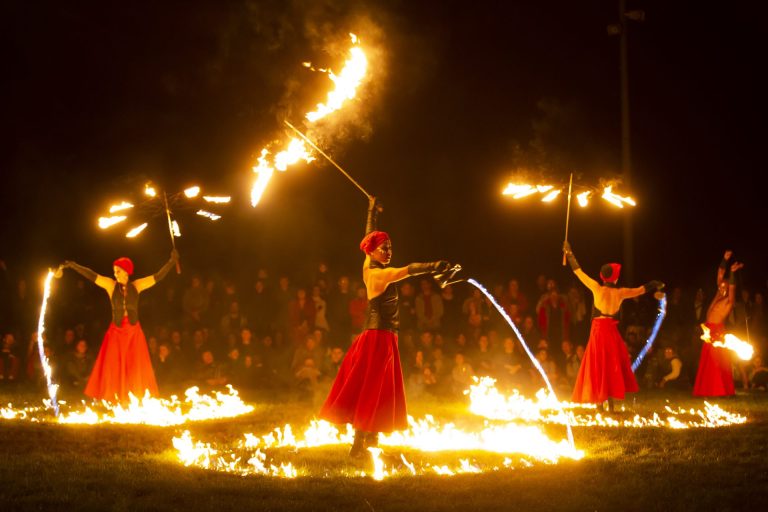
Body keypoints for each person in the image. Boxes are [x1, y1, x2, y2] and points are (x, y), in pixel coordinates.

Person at [319, 197, 450, 458]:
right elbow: (407, 270)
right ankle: (360, 440)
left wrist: (371, 210)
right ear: (373, 252)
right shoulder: (379, 274)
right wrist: (434, 266)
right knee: (372, 386)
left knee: (377, 386)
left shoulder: (368, 265)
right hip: (378, 337)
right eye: (384, 249)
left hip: (383, 336)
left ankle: (370, 437)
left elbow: (369, 236)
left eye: (390, 247)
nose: (388, 252)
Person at [60, 250, 178, 402]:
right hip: (116, 331)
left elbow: (158, 277)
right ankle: (114, 397)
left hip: (134, 332)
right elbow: (92, 275)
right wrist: (74, 265)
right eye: (114, 271)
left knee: (133, 366)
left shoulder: (137, 285)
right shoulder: (111, 285)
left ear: (126, 271)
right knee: (115, 366)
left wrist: (171, 262)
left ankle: (134, 397)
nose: (115, 274)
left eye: (117, 271)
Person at [563, 242, 663, 411]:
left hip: (598, 330)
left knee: (599, 364)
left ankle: (600, 404)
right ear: (615, 278)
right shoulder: (620, 292)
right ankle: (608, 404)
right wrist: (654, 283)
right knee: (610, 365)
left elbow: (578, 272)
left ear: (603, 277)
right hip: (610, 330)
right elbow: (640, 290)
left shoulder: (596, 287)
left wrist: (569, 253)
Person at [693, 251, 744, 397]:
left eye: (724, 287)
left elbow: (732, 287)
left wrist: (733, 273)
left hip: (717, 332)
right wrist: (724, 260)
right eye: (720, 286)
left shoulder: (729, 301)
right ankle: (706, 389)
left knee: (716, 362)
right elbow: (720, 275)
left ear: (728, 289)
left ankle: (718, 390)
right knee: (707, 362)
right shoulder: (718, 293)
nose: (721, 287)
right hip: (708, 330)